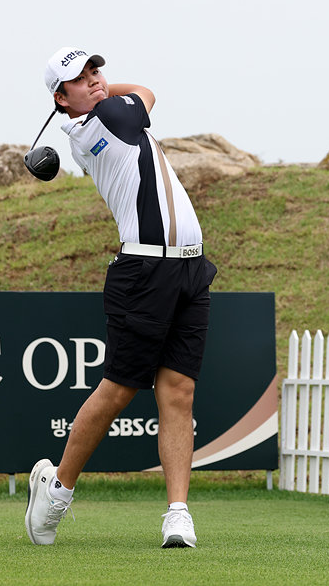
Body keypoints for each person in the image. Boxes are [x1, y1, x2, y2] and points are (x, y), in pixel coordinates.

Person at [24, 46, 217, 549]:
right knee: (118, 390)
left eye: (95, 70)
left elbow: (137, 97)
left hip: (189, 268)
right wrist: (106, 91)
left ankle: (178, 514)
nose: (94, 79)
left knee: (178, 392)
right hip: (145, 271)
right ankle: (57, 491)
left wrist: (96, 87)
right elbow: (148, 92)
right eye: (79, 78)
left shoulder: (100, 117)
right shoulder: (107, 117)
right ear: (59, 98)